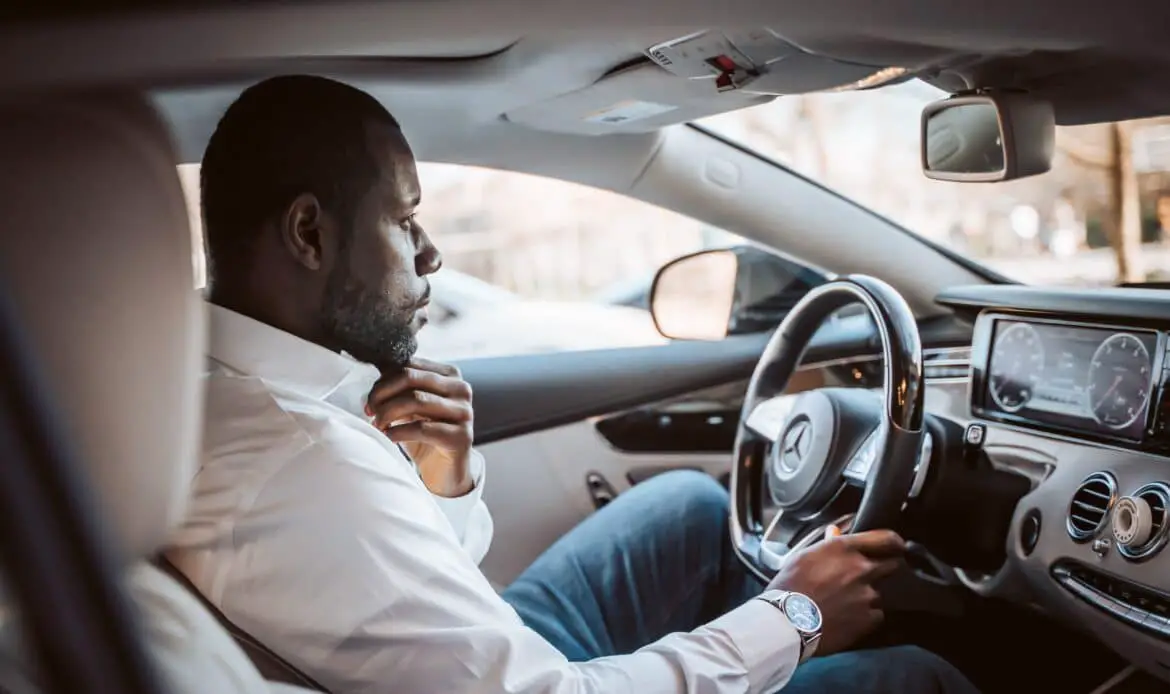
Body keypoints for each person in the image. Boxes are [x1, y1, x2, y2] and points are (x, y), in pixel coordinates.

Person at [167, 74, 980, 694]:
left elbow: (400, 590)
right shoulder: (300, 459)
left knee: (692, 511)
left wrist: (444, 485)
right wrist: (795, 618)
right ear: (310, 232)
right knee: (917, 676)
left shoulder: (224, 393)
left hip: (475, 659)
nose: (430, 255)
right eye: (404, 219)